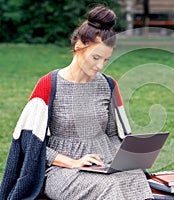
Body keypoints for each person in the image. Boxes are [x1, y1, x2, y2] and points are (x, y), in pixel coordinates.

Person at [0, 5, 153, 200]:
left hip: (103, 164)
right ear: (79, 46)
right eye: (96, 57)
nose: (99, 66)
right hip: (63, 170)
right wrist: (74, 162)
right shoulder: (49, 84)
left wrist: (120, 160)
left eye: (105, 60)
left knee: (137, 180)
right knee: (108, 187)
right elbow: (30, 144)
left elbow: (115, 135)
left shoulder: (108, 85)